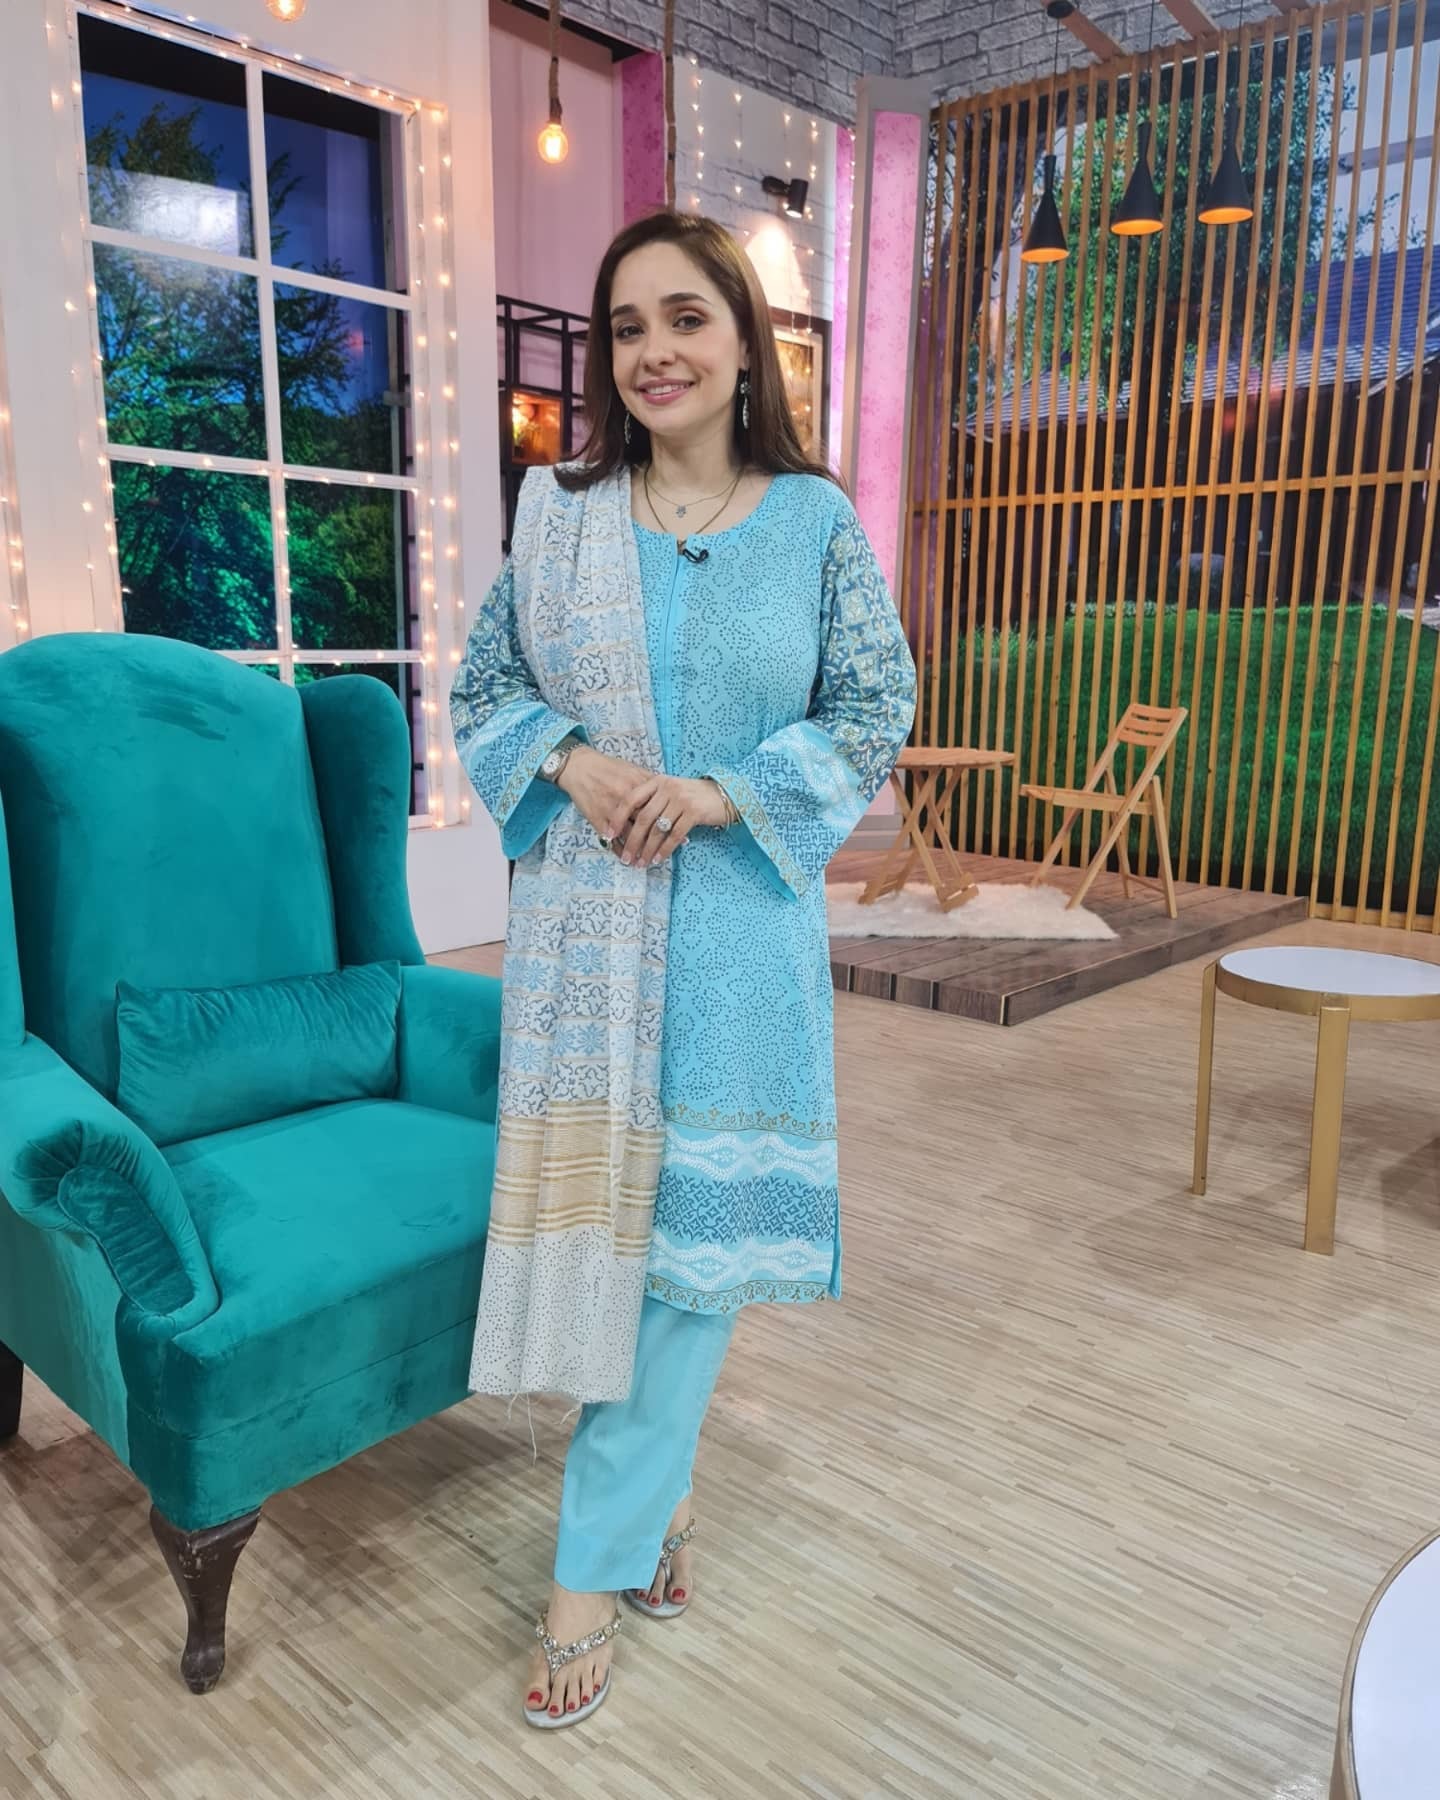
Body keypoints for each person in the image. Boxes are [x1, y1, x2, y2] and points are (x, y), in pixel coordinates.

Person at [449, 209, 917, 1730]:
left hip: (735, 943)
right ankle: (656, 1513)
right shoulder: (561, 515)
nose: (654, 351)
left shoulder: (816, 522)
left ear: (743, 344)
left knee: (689, 1273)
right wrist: (572, 760)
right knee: (616, 1249)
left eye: (686, 318)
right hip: (589, 943)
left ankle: (587, 1571)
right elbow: (484, 685)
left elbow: (874, 704)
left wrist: (723, 793)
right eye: (627, 326)